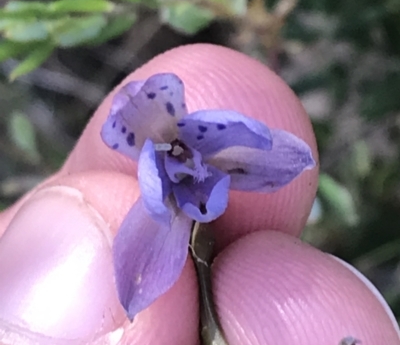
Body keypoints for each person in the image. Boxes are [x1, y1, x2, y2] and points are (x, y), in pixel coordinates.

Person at [0, 44, 398, 345]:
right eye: (178, 157)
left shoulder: (222, 161)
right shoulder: (157, 218)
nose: (188, 162)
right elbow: (137, 285)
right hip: (166, 216)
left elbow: (283, 157)